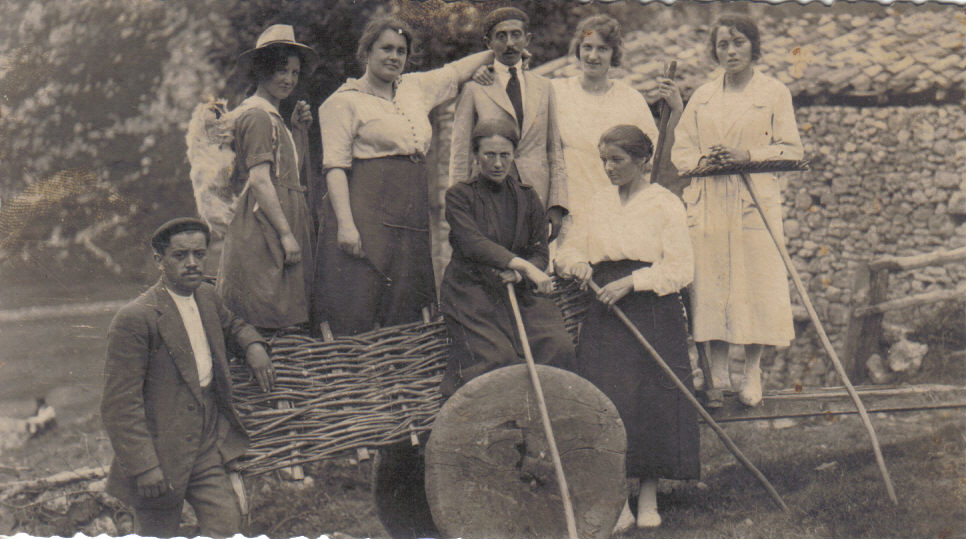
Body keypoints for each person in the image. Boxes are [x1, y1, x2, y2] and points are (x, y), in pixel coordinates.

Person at [314, 17, 495, 336]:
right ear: (366, 52)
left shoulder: (415, 88)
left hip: (410, 211)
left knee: (407, 294)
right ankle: (359, 371)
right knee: (360, 293)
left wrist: (500, 49)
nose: (394, 57)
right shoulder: (342, 102)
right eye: (386, 49)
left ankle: (402, 375)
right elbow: (335, 168)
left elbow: (456, 71)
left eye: (401, 51)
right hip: (367, 212)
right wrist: (346, 225)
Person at [556, 125, 698, 531]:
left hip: (651, 309)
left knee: (652, 400)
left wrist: (633, 283)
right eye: (604, 160)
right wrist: (576, 264)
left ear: (642, 161)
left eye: (616, 159)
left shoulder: (664, 204)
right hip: (604, 309)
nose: (608, 168)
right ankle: (618, 500)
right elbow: (568, 251)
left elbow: (680, 269)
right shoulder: (597, 202)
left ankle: (649, 497)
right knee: (609, 400)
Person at [101, 218, 274, 538]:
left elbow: (232, 325)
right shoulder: (135, 318)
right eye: (180, 256)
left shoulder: (206, 296)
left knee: (226, 527)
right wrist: (145, 467)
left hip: (206, 448)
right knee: (157, 534)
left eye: (199, 253)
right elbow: (119, 405)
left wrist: (252, 345)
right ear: (159, 261)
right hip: (160, 455)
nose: (192, 263)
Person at [672, 13, 804, 407]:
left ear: (753, 46)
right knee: (711, 286)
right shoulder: (703, 96)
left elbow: (792, 150)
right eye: (723, 44)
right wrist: (705, 161)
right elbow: (682, 152)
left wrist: (748, 155)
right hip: (710, 200)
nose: (730, 51)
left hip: (752, 201)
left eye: (738, 43)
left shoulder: (773, 92)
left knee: (755, 285)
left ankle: (751, 372)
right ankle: (717, 373)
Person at [440, 118, 576, 397]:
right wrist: (522, 266)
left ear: (514, 155)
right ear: (476, 155)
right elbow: (473, 243)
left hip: (519, 289)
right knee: (497, 359)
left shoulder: (527, 197)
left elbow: (540, 250)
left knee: (557, 346)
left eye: (505, 155)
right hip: (473, 293)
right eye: (489, 155)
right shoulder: (459, 196)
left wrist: (520, 274)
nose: (498, 163)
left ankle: (548, 418)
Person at [216, 24, 317, 331]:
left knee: (287, 308)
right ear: (261, 71)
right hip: (267, 224)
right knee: (268, 305)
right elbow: (261, 180)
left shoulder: (274, 119)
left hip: (282, 215)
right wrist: (286, 234)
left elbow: (287, 175)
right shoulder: (257, 117)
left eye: (295, 73)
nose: (288, 79)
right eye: (281, 70)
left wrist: (298, 131)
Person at [551, 14, 682, 238]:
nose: (593, 56)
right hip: (570, 211)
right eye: (587, 47)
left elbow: (656, 158)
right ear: (578, 49)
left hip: (618, 211)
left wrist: (677, 110)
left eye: (602, 49)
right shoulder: (556, 92)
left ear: (614, 54)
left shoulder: (630, 99)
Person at [449, 6, 568, 243]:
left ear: (527, 39)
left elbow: (554, 148)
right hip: (488, 197)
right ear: (488, 42)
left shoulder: (544, 87)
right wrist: (459, 208)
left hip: (536, 194)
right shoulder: (475, 88)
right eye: (501, 36)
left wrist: (557, 203)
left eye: (516, 35)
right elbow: (460, 153)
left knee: (534, 267)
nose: (510, 43)